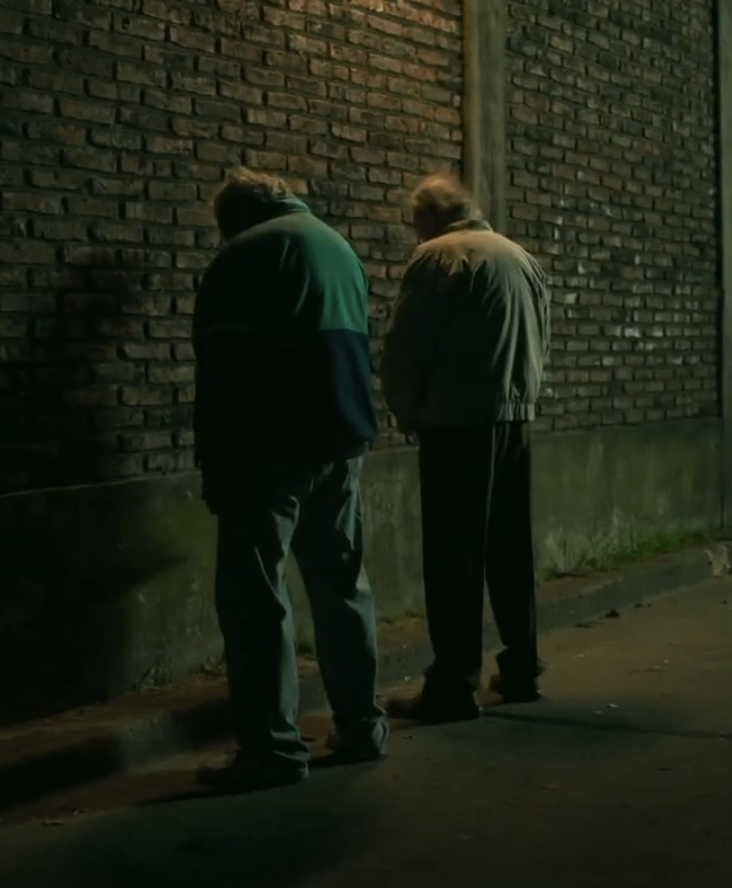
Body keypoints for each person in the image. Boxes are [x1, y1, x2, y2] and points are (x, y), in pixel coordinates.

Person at [192, 167, 387, 791]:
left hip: (267, 447)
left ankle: (273, 750)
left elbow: (223, 369)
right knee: (342, 584)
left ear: (235, 217)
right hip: (342, 439)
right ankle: (361, 727)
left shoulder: (245, 254)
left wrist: (215, 461)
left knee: (255, 596)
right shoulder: (337, 246)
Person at [380, 173, 552, 722]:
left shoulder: (439, 257)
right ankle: (521, 668)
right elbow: (543, 336)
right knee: (509, 547)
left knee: (453, 554)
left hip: (455, 422)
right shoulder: (520, 257)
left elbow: (408, 343)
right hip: (514, 417)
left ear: (428, 217)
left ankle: (453, 684)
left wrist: (405, 406)